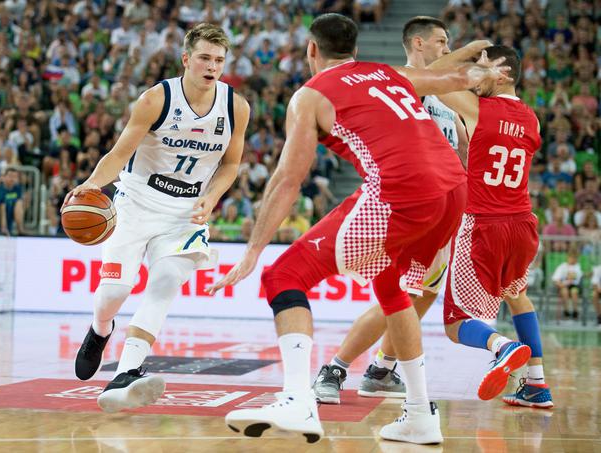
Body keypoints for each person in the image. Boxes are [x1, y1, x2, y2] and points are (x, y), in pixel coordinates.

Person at [209, 13, 510, 445]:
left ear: (312, 50)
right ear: (355, 48)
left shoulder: (309, 96)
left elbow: (288, 180)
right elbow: (451, 79)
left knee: (283, 276)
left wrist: (253, 251)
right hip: (453, 191)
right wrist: (481, 73)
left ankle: (296, 401)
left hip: (401, 192)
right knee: (392, 288)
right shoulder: (385, 72)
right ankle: (420, 416)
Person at [66, 23, 250, 413]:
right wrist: (92, 185)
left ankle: (128, 370)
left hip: (186, 212)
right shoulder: (156, 99)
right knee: (116, 290)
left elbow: (231, 165)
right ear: (186, 59)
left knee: (166, 281)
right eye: (204, 58)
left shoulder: (236, 106)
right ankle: (100, 329)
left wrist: (212, 198)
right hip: (135, 201)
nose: (212, 66)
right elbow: (118, 154)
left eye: (219, 60)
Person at [311, 16, 479, 405]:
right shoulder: (393, 83)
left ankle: (381, 368)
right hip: (403, 205)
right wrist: (469, 55)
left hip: (443, 210)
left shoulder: (446, 104)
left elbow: (464, 156)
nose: (446, 47)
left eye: (449, 41)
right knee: (399, 295)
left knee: (421, 295)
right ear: (417, 44)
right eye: (440, 40)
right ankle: (335, 369)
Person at [430, 45, 554, 408]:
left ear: (501, 74)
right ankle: (536, 384)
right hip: (523, 225)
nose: (472, 75)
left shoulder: (477, 107)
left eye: (480, 69)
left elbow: (433, 74)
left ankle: (503, 346)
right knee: (517, 296)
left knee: (455, 324)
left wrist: (465, 52)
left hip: (484, 223)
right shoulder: (533, 118)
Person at [552, 250, 583, 323]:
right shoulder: (562, 266)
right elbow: (555, 279)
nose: (573, 260)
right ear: (568, 257)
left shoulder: (577, 267)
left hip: (574, 285)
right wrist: (560, 284)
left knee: (574, 292)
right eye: (572, 258)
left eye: (575, 258)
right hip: (564, 286)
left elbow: (577, 278)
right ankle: (566, 312)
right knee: (564, 291)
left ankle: (575, 312)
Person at [0, 167, 24, 235]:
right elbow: (1, 207)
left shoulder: (17, 188)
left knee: (19, 204)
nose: (12, 179)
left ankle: (20, 230)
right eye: (10, 176)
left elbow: (18, 206)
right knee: (2, 205)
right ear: (3, 177)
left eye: (15, 177)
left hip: (9, 219)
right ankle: (2, 229)